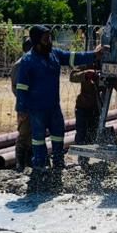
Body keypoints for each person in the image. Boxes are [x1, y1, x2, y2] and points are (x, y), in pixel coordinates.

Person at [15, 26, 101, 170]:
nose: (49, 41)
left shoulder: (54, 55)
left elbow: (74, 57)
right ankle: (40, 164)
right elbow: (21, 87)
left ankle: (58, 162)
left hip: (54, 107)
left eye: (49, 37)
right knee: (38, 138)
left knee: (58, 134)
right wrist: (21, 109)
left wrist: (94, 55)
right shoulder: (28, 60)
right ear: (37, 41)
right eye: (45, 38)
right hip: (37, 109)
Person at [70, 65, 117, 144]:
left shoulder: (110, 67)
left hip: (97, 109)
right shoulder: (87, 62)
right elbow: (72, 77)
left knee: (92, 137)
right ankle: (82, 155)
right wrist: (86, 74)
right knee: (82, 138)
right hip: (83, 108)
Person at [10, 38, 32, 171]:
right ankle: (20, 164)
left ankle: (30, 162)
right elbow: (17, 88)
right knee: (24, 134)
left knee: (35, 135)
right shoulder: (20, 65)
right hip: (25, 106)